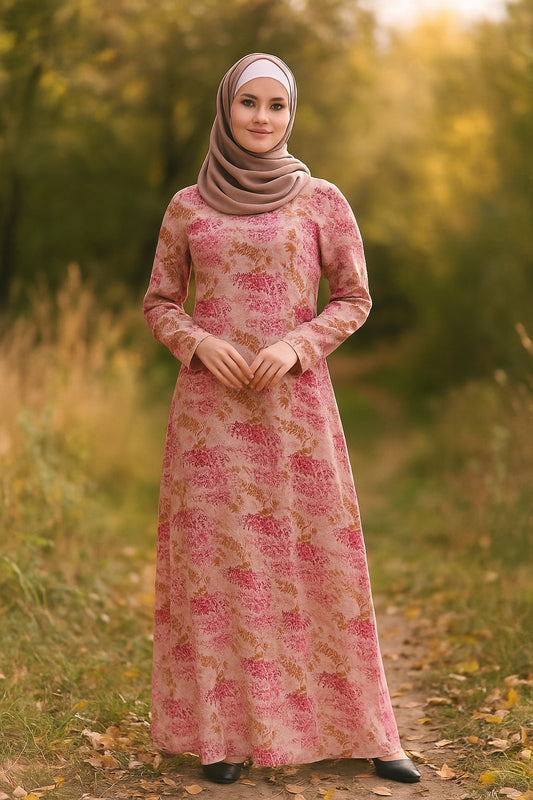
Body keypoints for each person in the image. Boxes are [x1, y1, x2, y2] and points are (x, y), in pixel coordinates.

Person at [143, 53, 421, 786]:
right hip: (210, 418)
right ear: (225, 109)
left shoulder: (321, 200)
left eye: (276, 106)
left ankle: (368, 729)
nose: (262, 118)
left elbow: (354, 298)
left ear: (291, 114)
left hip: (296, 412)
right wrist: (198, 342)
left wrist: (299, 345)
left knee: (320, 559)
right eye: (248, 104)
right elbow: (159, 302)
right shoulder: (186, 206)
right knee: (219, 568)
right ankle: (225, 736)